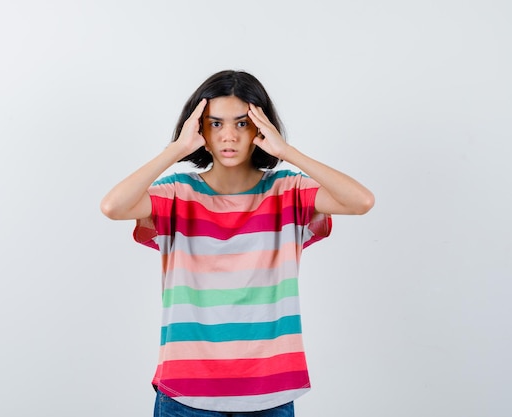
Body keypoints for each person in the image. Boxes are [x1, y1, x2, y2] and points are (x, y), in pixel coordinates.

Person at [100, 70, 375, 416]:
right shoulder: (177, 194)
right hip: (186, 392)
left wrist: (287, 152)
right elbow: (113, 206)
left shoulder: (286, 191)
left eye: (242, 124)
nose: (228, 136)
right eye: (215, 124)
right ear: (198, 128)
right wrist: (175, 150)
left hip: (269, 391)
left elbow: (360, 201)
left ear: (261, 128)